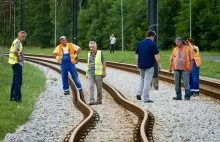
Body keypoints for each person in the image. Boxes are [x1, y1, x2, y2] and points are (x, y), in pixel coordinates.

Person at [53, 36, 85, 102]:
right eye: (61, 40)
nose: (63, 41)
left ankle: (80, 89)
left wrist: (75, 55)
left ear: (66, 40)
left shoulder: (71, 45)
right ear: (60, 41)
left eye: (64, 40)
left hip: (71, 64)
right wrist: (57, 58)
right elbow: (54, 53)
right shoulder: (59, 47)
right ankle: (66, 90)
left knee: (75, 76)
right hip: (63, 65)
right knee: (64, 77)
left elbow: (79, 49)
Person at [135, 31, 161, 103]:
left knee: (142, 79)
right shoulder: (153, 44)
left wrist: (137, 64)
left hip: (141, 65)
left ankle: (139, 93)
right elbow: (156, 55)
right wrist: (159, 64)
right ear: (151, 36)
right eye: (154, 37)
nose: (154, 38)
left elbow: (137, 55)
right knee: (147, 81)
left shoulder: (140, 43)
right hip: (149, 66)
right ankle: (146, 98)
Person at [8, 31, 27, 103]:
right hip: (17, 63)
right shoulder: (18, 42)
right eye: (22, 36)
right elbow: (15, 51)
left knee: (14, 81)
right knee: (18, 82)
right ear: (18, 36)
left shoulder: (15, 41)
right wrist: (19, 57)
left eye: (24, 37)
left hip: (14, 64)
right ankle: (17, 98)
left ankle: (12, 97)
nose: (24, 38)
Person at [86, 41, 106, 105]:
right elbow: (88, 64)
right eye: (90, 47)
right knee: (91, 86)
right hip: (90, 73)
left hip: (98, 73)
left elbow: (104, 62)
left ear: (96, 47)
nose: (91, 48)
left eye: (93, 47)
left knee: (99, 87)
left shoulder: (100, 53)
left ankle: (99, 100)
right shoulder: (89, 54)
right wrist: (87, 73)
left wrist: (104, 72)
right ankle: (91, 100)